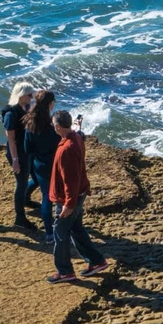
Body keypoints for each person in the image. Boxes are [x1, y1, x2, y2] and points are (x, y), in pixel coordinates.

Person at [46, 110, 109, 283]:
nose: (52, 126)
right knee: (76, 229)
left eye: (53, 124)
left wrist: (68, 204)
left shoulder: (67, 148)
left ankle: (65, 271)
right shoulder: (76, 138)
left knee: (60, 233)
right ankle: (97, 261)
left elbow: (70, 180)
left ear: (58, 127)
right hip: (78, 193)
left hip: (68, 199)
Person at [2, 83, 41, 232]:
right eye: (29, 95)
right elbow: (11, 140)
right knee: (21, 184)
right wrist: (15, 161)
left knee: (37, 177)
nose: (32, 97)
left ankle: (26, 199)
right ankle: (20, 219)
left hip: (28, 151)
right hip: (17, 153)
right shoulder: (11, 114)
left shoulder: (25, 109)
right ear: (21, 95)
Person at [23, 88, 59, 234]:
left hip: (37, 162)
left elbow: (27, 148)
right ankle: (50, 233)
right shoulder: (52, 127)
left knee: (37, 182)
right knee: (48, 198)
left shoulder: (30, 123)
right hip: (52, 164)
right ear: (50, 104)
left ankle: (25, 198)